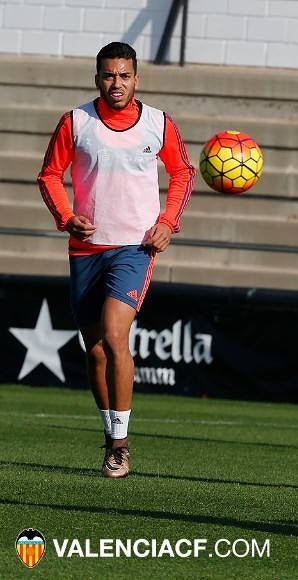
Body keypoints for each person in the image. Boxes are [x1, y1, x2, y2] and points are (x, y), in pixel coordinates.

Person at [36, 42, 195, 478]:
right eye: (109, 75)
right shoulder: (76, 121)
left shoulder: (158, 124)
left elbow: (183, 172)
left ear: (137, 78)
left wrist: (167, 222)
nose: (117, 83)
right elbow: (49, 174)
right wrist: (66, 217)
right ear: (97, 78)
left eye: (124, 75)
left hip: (135, 247)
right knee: (96, 353)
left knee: (114, 332)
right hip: (87, 248)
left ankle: (121, 445)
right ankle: (110, 436)